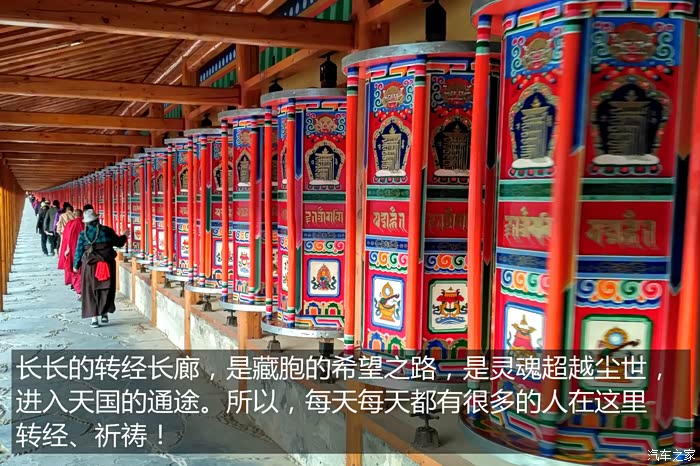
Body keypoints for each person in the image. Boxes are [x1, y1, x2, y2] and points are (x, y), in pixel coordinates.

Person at [73, 209, 128, 328]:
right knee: (106, 288)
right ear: (97, 219)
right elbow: (118, 243)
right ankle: (104, 313)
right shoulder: (107, 231)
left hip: (90, 266)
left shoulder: (83, 234)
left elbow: (78, 251)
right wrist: (125, 236)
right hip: (106, 263)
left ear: (86, 222)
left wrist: (76, 265)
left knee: (90, 290)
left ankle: (94, 319)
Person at [59, 209, 83, 296]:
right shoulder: (84, 223)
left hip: (72, 247)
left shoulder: (70, 224)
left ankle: (74, 284)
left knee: (73, 266)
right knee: (81, 267)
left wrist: (67, 249)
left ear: (74, 215)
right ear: (82, 215)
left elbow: (67, 238)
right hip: (82, 248)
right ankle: (80, 285)